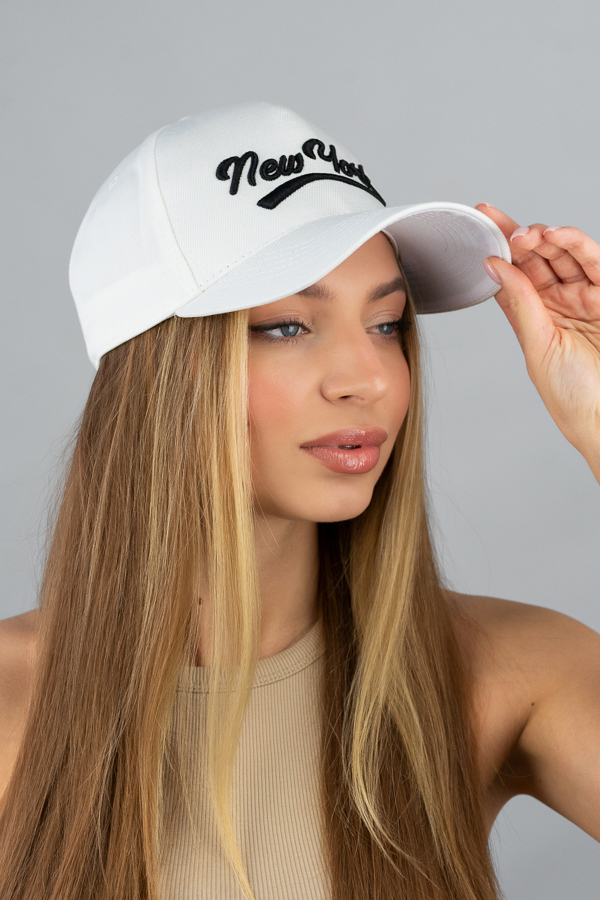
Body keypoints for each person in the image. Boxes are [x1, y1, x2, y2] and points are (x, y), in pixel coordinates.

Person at [0, 101, 598, 900]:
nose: (369, 379)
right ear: (157, 374)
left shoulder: (508, 671)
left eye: (386, 324)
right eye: (287, 326)